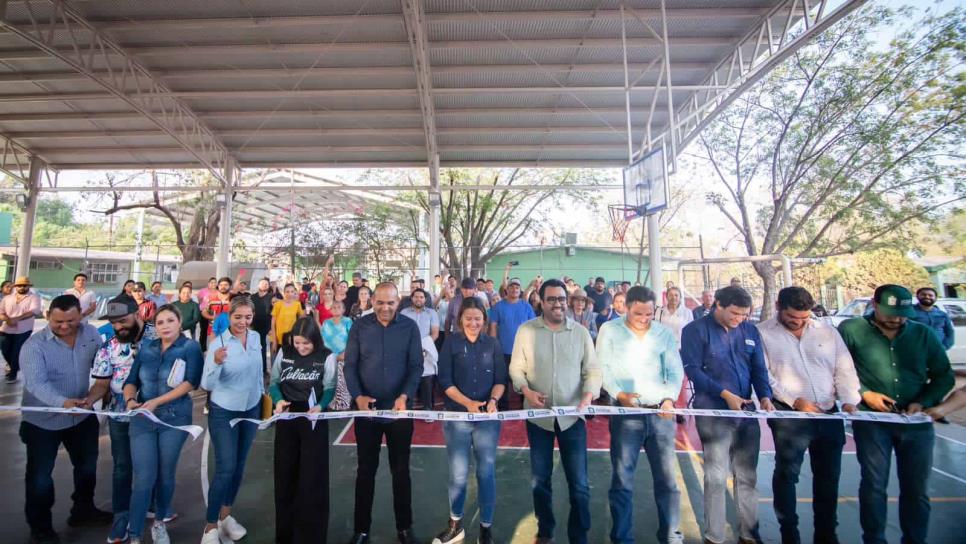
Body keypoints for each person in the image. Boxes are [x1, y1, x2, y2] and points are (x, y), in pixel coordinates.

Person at [838, 284, 953, 544]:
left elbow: (943, 376)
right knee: (873, 485)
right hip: (871, 421)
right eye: (890, 312)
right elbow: (839, 370)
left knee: (916, 489)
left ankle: (914, 539)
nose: (896, 319)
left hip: (916, 424)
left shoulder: (923, 334)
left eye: (902, 314)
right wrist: (864, 393)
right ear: (874, 304)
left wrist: (923, 402)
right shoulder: (851, 330)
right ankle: (874, 539)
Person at [758, 287, 862, 544]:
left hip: (829, 415)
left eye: (804, 318)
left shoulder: (827, 332)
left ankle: (827, 534)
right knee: (787, 475)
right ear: (779, 305)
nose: (798, 322)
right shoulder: (761, 333)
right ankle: (788, 533)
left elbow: (843, 368)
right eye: (793, 316)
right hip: (789, 417)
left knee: (828, 478)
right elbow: (763, 375)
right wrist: (795, 401)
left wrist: (849, 399)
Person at [509, 279, 602, 544]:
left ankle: (579, 535)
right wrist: (526, 391)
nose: (558, 303)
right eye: (552, 299)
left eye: (562, 298)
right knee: (540, 482)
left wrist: (588, 394)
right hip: (539, 421)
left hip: (573, 419)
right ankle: (546, 531)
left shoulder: (581, 333)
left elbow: (593, 369)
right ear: (540, 301)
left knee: (580, 485)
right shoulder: (526, 331)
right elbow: (516, 368)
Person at [681, 285, 774, 544]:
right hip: (713, 413)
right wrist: (725, 395)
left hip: (746, 414)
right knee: (715, 476)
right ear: (718, 305)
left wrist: (764, 395)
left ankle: (749, 534)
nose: (739, 319)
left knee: (747, 476)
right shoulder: (694, 331)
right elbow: (694, 371)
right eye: (734, 313)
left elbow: (758, 368)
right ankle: (715, 536)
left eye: (744, 314)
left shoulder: (749, 330)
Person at [20, 295, 111, 544]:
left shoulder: (91, 334)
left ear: (80, 315)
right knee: (40, 478)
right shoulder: (34, 346)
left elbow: (103, 366)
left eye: (70, 320)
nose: (64, 326)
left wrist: (94, 396)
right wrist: (64, 403)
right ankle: (40, 527)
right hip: (43, 422)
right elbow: (36, 384)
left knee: (87, 468)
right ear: (48, 316)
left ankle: (83, 511)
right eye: (58, 321)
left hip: (81, 417)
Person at [597, 286, 684, 544]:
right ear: (626, 307)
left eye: (648, 314)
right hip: (626, 415)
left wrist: (669, 398)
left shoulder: (663, 334)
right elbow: (603, 367)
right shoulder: (609, 330)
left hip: (661, 415)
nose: (644, 319)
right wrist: (619, 394)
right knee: (622, 481)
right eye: (638, 314)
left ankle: (671, 535)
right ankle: (622, 538)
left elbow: (674, 371)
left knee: (668, 481)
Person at [344, 282, 424, 544]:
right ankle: (361, 530)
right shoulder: (360, 327)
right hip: (367, 412)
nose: (385, 307)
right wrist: (358, 397)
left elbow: (416, 366)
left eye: (390, 302)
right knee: (365, 471)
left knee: (401, 471)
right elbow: (350, 365)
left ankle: (405, 528)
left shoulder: (409, 328)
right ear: (372, 302)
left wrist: (404, 396)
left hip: (399, 412)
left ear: (398, 301)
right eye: (380, 302)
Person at [123, 304, 203, 544]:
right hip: (143, 420)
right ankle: (135, 533)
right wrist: (129, 399)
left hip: (175, 419)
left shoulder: (190, 347)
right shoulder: (147, 348)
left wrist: (157, 401)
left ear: (180, 323)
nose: (165, 326)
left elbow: (191, 382)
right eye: (160, 322)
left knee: (165, 473)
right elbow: (131, 380)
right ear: (154, 327)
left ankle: (159, 523)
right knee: (144, 477)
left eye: (170, 321)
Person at [432, 297, 504, 544]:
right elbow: (445, 381)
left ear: (484, 320)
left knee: (486, 473)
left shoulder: (493, 344)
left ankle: (486, 527)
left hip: (487, 422)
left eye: (478, 318)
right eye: (468, 318)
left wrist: (493, 401)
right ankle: (455, 524)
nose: (473, 323)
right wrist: (468, 404)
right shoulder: (450, 343)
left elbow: (500, 380)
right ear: (460, 320)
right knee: (459, 474)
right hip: (457, 419)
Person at [88, 297, 154, 544]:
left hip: (154, 417)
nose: (118, 327)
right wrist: (87, 400)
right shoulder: (108, 348)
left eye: (123, 321)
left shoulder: (161, 338)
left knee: (152, 465)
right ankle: (121, 516)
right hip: (119, 417)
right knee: (122, 467)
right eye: (114, 323)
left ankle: (153, 504)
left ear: (138, 314)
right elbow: (101, 384)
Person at [200, 295, 262, 544]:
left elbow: (259, 372)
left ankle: (226, 517)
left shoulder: (256, 338)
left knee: (239, 466)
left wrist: (262, 399)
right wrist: (215, 363)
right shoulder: (218, 345)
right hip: (224, 411)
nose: (243, 322)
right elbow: (207, 383)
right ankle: (210, 526)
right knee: (225, 468)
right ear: (229, 316)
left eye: (248, 317)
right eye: (238, 317)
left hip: (251, 409)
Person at [269, 317, 336, 543]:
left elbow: (329, 387)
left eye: (306, 343)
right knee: (285, 475)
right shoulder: (284, 352)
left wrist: (320, 406)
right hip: (287, 417)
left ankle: (312, 536)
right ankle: (285, 534)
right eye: (297, 343)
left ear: (315, 339)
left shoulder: (326, 356)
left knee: (312, 477)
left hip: (314, 418)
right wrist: (278, 400)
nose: (301, 347)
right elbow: (274, 382)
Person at [489, 278, 536, 410]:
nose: (514, 289)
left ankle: (525, 407)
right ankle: (503, 408)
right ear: (506, 289)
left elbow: (533, 327)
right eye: (512, 287)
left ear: (520, 290)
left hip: (523, 352)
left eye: (517, 287)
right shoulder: (498, 306)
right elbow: (493, 327)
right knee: (502, 380)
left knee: (524, 380)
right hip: (503, 351)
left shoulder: (526, 306)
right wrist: (494, 347)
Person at [400, 288, 440, 411]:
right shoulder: (404, 312)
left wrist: (424, 347)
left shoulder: (431, 313)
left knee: (427, 381)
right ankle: (407, 408)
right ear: (412, 298)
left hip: (426, 350)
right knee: (409, 379)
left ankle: (428, 410)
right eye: (416, 297)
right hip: (407, 350)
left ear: (425, 299)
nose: (419, 299)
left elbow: (435, 334)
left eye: (421, 297)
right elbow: (400, 332)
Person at [1, 276, 43, 383]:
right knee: (5, 350)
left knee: (16, 351)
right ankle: (15, 366)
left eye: (24, 285)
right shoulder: (7, 298)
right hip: (6, 329)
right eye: (19, 285)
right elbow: (1, 312)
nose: (22, 287)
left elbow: (34, 311)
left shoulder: (34, 298)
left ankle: (13, 374)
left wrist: (16, 319)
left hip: (24, 329)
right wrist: (8, 319)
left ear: (28, 286)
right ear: (16, 287)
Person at [271, 283, 304, 356]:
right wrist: (274, 340)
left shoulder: (297, 304)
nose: (290, 294)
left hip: (291, 339)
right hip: (279, 339)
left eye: (292, 291)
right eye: (287, 291)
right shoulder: (278, 304)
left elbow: (301, 320)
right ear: (284, 292)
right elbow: (273, 324)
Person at [252, 277, 275, 371]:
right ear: (258, 285)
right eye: (262, 283)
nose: (264, 285)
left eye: (266, 284)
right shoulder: (252, 297)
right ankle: (254, 369)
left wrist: (271, 328)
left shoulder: (271, 297)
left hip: (267, 326)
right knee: (254, 348)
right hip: (254, 325)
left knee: (264, 348)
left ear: (269, 286)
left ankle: (264, 369)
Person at [197, 278, 217, 352]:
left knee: (214, 330)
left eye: (215, 282)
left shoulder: (218, 292)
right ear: (208, 284)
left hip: (214, 312)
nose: (213, 284)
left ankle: (214, 347)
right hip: (204, 312)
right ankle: (202, 348)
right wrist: (203, 307)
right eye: (211, 282)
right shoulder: (203, 291)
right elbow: (199, 300)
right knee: (204, 330)